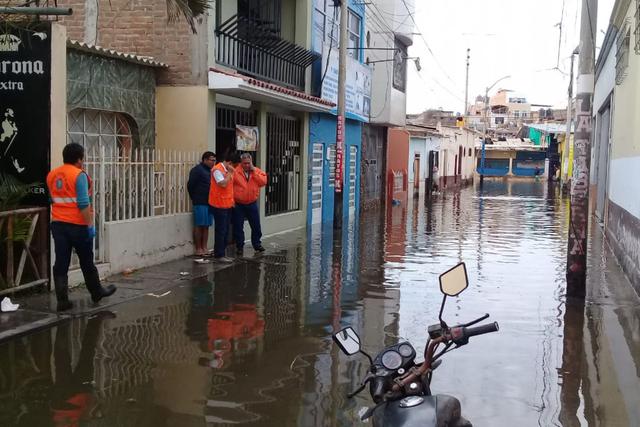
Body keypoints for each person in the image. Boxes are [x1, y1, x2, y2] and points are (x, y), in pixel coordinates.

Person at [46, 143, 116, 312]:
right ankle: (96, 292)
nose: (83, 161)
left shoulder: (52, 175)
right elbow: (83, 203)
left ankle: (62, 301)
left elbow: (51, 200)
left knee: (61, 261)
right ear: (79, 159)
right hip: (77, 226)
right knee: (86, 260)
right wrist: (90, 225)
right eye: (82, 158)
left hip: (58, 225)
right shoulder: (79, 175)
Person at [232, 153, 267, 255]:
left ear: (251, 162)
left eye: (248, 163)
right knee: (238, 226)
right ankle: (239, 246)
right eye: (244, 163)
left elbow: (263, 182)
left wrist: (254, 171)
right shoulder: (235, 171)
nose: (246, 165)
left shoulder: (257, 171)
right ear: (241, 163)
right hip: (238, 203)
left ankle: (257, 244)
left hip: (251, 202)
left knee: (256, 225)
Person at [209, 152, 241, 262]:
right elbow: (222, 184)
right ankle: (219, 255)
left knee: (226, 230)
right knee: (221, 230)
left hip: (227, 204)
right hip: (218, 204)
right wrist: (229, 174)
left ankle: (222, 252)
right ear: (230, 163)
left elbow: (229, 188)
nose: (236, 168)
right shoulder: (217, 169)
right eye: (235, 166)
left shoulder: (227, 170)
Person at [188, 151, 216, 256]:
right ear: (205, 160)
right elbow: (190, 185)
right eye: (211, 160)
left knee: (206, 226)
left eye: (214, 160)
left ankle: (204, 247)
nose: (213, 162)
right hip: (200, 201)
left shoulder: (212, 171)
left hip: (210, 202)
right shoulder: (197, 170)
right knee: (199, 225)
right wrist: (195, 197)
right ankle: (198, 248)